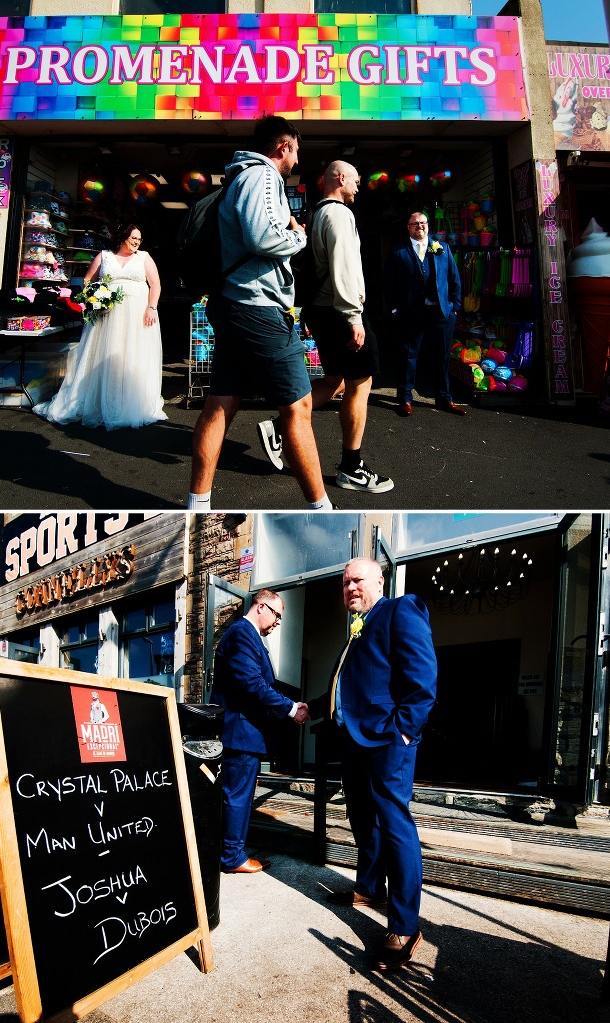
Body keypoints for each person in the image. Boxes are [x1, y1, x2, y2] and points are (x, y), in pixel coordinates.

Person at [188, 115, 331, 512]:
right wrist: (298, 235)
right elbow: (262, 236)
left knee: (220, 403)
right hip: (257, 306)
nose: (297, 161)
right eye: (296, 151)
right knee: (298, 407)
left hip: (233, 303)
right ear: (283, 146)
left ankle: (197, 505)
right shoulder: (262, 176)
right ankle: (323, 511)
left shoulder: (240, 176)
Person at [311, 558, 437, 971]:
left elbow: (422, 681)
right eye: (344, 582)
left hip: (387, 739)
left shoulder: (402, 610)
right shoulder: (356, 629)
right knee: (362, 818)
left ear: (379, 580)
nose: (349, 587)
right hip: (353, 742)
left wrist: (404, 730)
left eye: (357, 580)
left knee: (395, 825)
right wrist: (307, 708)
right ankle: (368, 888)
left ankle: (403, 926)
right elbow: (345, 688)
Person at [257, 161, 393, 494]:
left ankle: (279, 427)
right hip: (338, 310)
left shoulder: (317, 213)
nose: (359, 186)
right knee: (361, 383)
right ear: (341, 178)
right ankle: (351, 467)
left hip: (321, 309)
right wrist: (353, 315)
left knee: (334, 380)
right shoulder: (339, 214)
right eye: (356, 179)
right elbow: (343, 266)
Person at [211, 589, 309, 874]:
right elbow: (253, 684)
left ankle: (231, 852)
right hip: (241, 734)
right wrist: (291, 708)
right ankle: (232, 857)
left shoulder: (248, 635)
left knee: (238, 794)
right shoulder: (243, 633)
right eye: (277, 614)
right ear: (261, 607)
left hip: (245, 734)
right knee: (238, 796)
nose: (278, 622)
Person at [33, 223, 167, 430]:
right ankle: (99, 400)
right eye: (133, 238)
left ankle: (130, 402)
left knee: (131, 355)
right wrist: (95, 300)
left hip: (137, 315)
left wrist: (152, 307)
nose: (136, 242)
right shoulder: (104, 257)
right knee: (104, 355)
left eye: (139, 239)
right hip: (108, 316)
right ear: (122, 237)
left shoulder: (144, 257)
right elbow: (87, 281)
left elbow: (155, 284)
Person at [383, 211, 465, 417]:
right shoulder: (398, 251)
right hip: (410, 314)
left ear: (428, 225)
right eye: (414, 223)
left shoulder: (443, 248)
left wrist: (454, 306)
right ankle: (404, 399)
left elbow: (454, 279)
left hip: (440, 314)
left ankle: (444, 398)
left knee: (441, 358)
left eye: (423, 223)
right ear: (408, 228)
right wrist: (394, 309)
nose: (419, 226)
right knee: (408, 357)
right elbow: (389, 283)